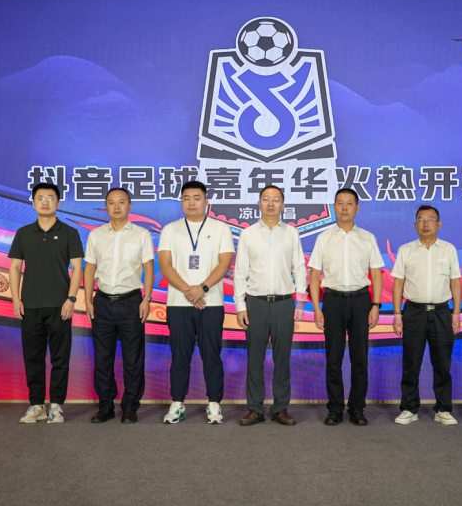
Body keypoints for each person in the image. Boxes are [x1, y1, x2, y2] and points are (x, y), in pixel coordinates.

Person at [157, 181, 234, 424]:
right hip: (178, 303)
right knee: (180, 356)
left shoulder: (221, 228)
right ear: (181, 201)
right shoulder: (170, 229)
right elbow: (165, 265)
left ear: (206, 201)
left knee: (212, 355)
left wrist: (202, 289)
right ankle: (177, 403)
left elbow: (224, 263)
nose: (191, 202)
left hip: (211, 302)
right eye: (186, 198)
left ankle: (214, 404)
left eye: (197, 198)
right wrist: (188, 291)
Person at [8, 182, 83, 424]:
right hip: (30, 305)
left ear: (58, 203)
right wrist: (16, 299)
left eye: (51, 198)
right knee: (33, 358)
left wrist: (71, 299)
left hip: (60, 306)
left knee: (60, 359)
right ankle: (37, 405)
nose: (45, 202)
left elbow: (77, 268)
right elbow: (15, 268)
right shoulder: (23, 233)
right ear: (33, 203)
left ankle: (56, 406)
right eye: (40, 198)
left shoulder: (70, 232)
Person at [308, 188, 385, 426]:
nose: (344, 208)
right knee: (334, 358)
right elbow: (314, 276)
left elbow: (376, 274)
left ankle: (357, 408)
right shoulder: (324, 238)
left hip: (362, 301)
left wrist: (375, 305)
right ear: (334, 207)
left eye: (349, 203)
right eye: (340, 203)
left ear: (357, 208)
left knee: (359, 358)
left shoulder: (368, 238)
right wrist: (317, 308)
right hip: (332, 301)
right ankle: (335, 409)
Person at [234, 186, 307, 426]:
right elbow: (240, 271)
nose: (271, 203)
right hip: (255, 303)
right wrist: (240, 305)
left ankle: (280, 408)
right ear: (259, 204)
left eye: (276, 200)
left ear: (283, 205)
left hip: (284, 304)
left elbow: (299, 267)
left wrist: (300, 301)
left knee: (282, 358)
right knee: (254, 358)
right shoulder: (248, 234)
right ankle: (255, 408)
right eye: (266, 199)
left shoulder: (291, 233)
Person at [83, 188, 155, 424]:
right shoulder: (96, 235)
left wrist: (147, 298)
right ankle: (105, 407)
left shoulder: (141, 234)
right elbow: (89, 269)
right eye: (111, 202)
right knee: (103, 359)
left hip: (131, 303)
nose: (116, 206)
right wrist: (87, 300)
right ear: (106, 206)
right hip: (102, 303)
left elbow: (148, 268)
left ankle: (130, 407)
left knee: (133, 359)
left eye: (121, 202)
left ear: (129, 206)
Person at [390, 205, 462, 426]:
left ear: (439, 224)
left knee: (442, 363)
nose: (425, 224)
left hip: (441, 312)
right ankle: (409, 408)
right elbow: (398, 283)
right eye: (421, 219)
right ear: (415, 225)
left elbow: (455, 282)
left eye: (430, 219)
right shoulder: (406, 250)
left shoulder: (448, 249)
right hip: (413, 312)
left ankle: (443, 409)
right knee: (411, 363)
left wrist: (456, 314)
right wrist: (397, 314)